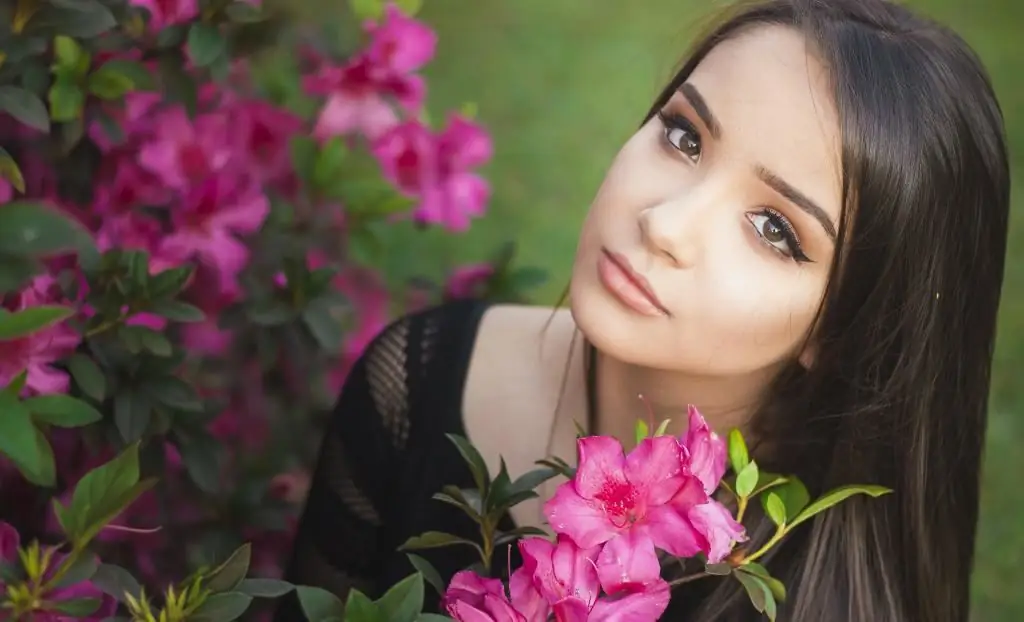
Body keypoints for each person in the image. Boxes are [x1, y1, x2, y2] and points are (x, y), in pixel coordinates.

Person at [273, 0, 1011, 619]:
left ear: (848, 332)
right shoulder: (420, 378)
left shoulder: (830, 587)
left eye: (776, 230)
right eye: (684, 135)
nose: (665, 223)